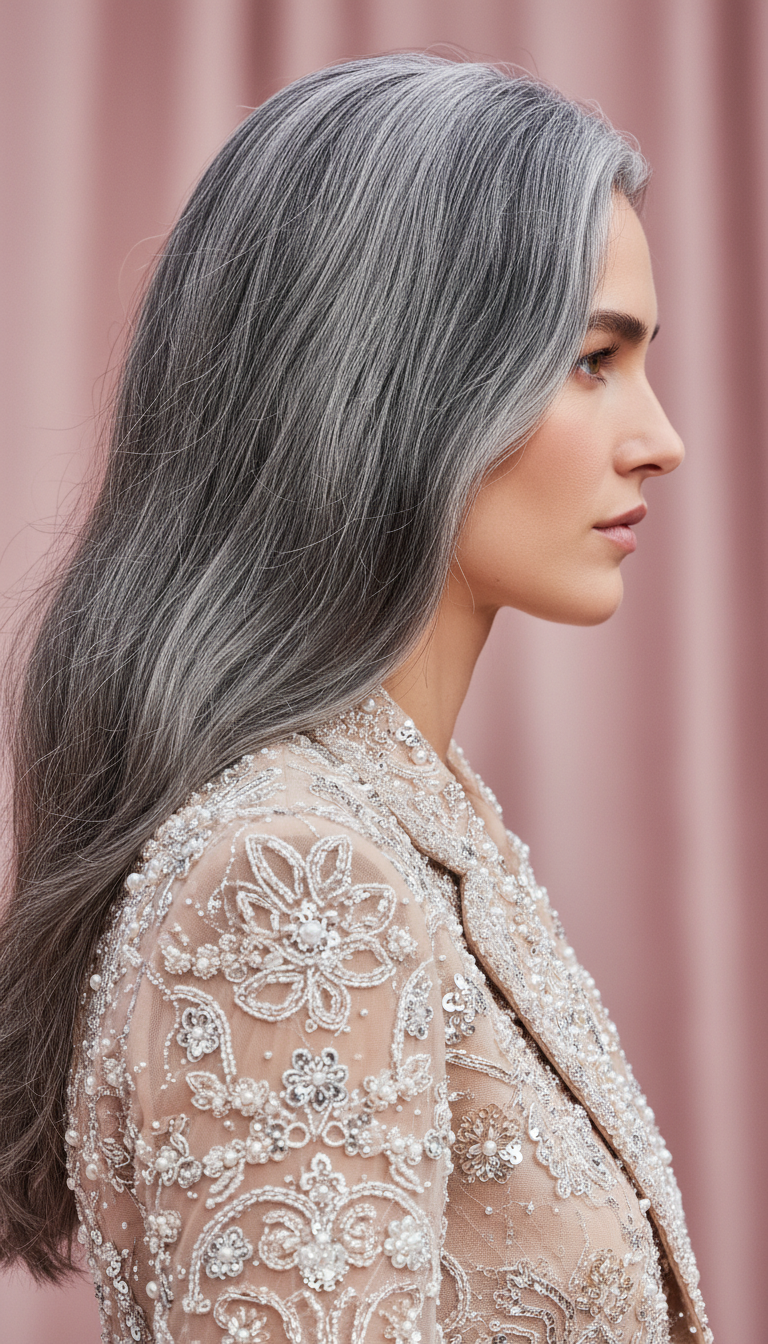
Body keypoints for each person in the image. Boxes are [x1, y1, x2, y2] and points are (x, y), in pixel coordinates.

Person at [0, 53, 710, 1344]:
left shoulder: (416, 821)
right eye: (593, 360)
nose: (660, 439)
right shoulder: (294, 875)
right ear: (395, 379)